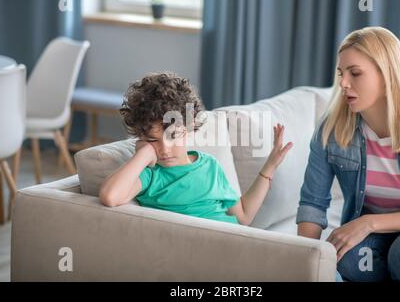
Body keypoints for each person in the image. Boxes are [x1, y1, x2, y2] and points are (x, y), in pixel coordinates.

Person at [296, 26, 400, 282]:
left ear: (387, 76)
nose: (343, 83)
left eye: (355, 73)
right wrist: (301, 264)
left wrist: (368, 223)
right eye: (341, 73)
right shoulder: (332, 128)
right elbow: (313, 203)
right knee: (346, 258)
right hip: (380, 241)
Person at [99, 72, 293, 226]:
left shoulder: (210, 166)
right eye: (153, 140)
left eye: (173, 136)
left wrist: (270, 166)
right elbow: (110, 196)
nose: (165, 150)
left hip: (234, 240)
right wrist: (144, 154)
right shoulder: (150, 176)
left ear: (190, 128)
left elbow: (243, 216)